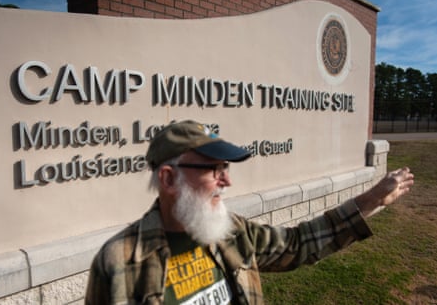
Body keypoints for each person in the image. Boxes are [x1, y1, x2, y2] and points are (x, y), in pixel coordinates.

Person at [85, 120, 414, 304]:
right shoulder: (117, 263)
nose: (227, 180)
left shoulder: (232, 231)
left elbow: (297, 245)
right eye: (214, 169)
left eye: (226, 168)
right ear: (169, 179)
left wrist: (370, 200)